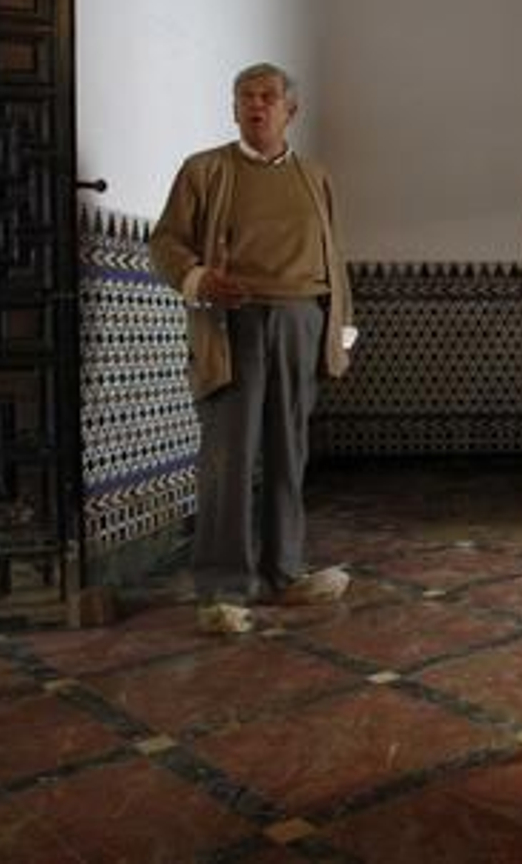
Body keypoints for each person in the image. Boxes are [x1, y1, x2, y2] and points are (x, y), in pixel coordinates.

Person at [150, 62, 355, 635]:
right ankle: (222, 589)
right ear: (234, 108)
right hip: (232, 324)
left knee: (289, 454)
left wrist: (341, 332)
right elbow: (165, 241)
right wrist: (195, 279)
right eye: (245, 97)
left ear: (292, 110)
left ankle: (285, 574)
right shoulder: (205, 170)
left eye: (268, 96)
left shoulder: (315, 176)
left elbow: (333, 258)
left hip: (301, 322)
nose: (256, 105)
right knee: (228, 456)